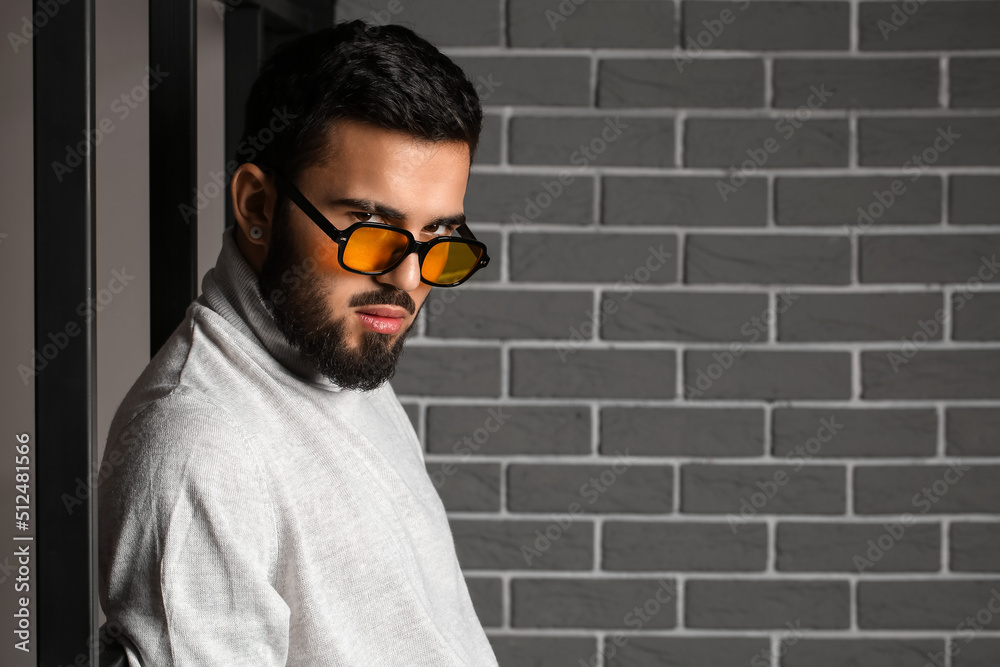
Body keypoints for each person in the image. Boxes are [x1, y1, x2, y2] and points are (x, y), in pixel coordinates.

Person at [98, 19, 497, 666]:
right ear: (258, 207)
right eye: (370, 230)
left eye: (439, 240)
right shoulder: (200, 447)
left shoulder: (333, 349)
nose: (407, 277)